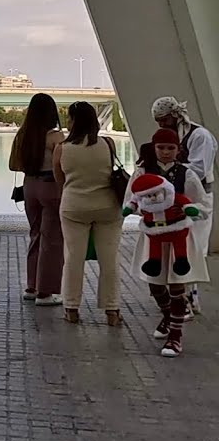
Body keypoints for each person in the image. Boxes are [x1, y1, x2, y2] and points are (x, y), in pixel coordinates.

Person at [124, 129, 210, 357]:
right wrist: (144, 209)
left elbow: (202, 204)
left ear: (178, 150)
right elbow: (129, 200)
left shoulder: (186, 174)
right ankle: (168, 316)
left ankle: (175, 336)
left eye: (170, 148)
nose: (165, 152)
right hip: (153, 236)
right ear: (153, 148)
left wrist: (188, 209)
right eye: (161, 147)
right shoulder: (142, 172)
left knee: (176, 284)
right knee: (155, 284)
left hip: (179, 235)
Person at [54, 101, 124, 326]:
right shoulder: (108, 143)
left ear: (73, 121)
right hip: (107, 206)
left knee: (73, 258)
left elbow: (60, 180)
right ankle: (112, 310)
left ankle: (71, 308)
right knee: (109, 259)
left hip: (74, 207)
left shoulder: (62, 148)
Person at [8, 94, 66, 306]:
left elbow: (13, 165)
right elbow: (64, 164)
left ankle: (31, 286)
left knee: (35, 235)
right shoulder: (56, 137)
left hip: (29, 186)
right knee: (52, 239)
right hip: (50, 185)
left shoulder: (23, 135)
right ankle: (46, 292)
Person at [152, 97, 216, 256]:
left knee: (195, 247)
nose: (161, 125)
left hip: (197, 197)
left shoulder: (200, 135)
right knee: (174, 250)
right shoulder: (171, 137)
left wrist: (168, 168)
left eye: (164, 120)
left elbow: (199, 169)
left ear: (175, 115)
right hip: (174, 197)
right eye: (158, 121)